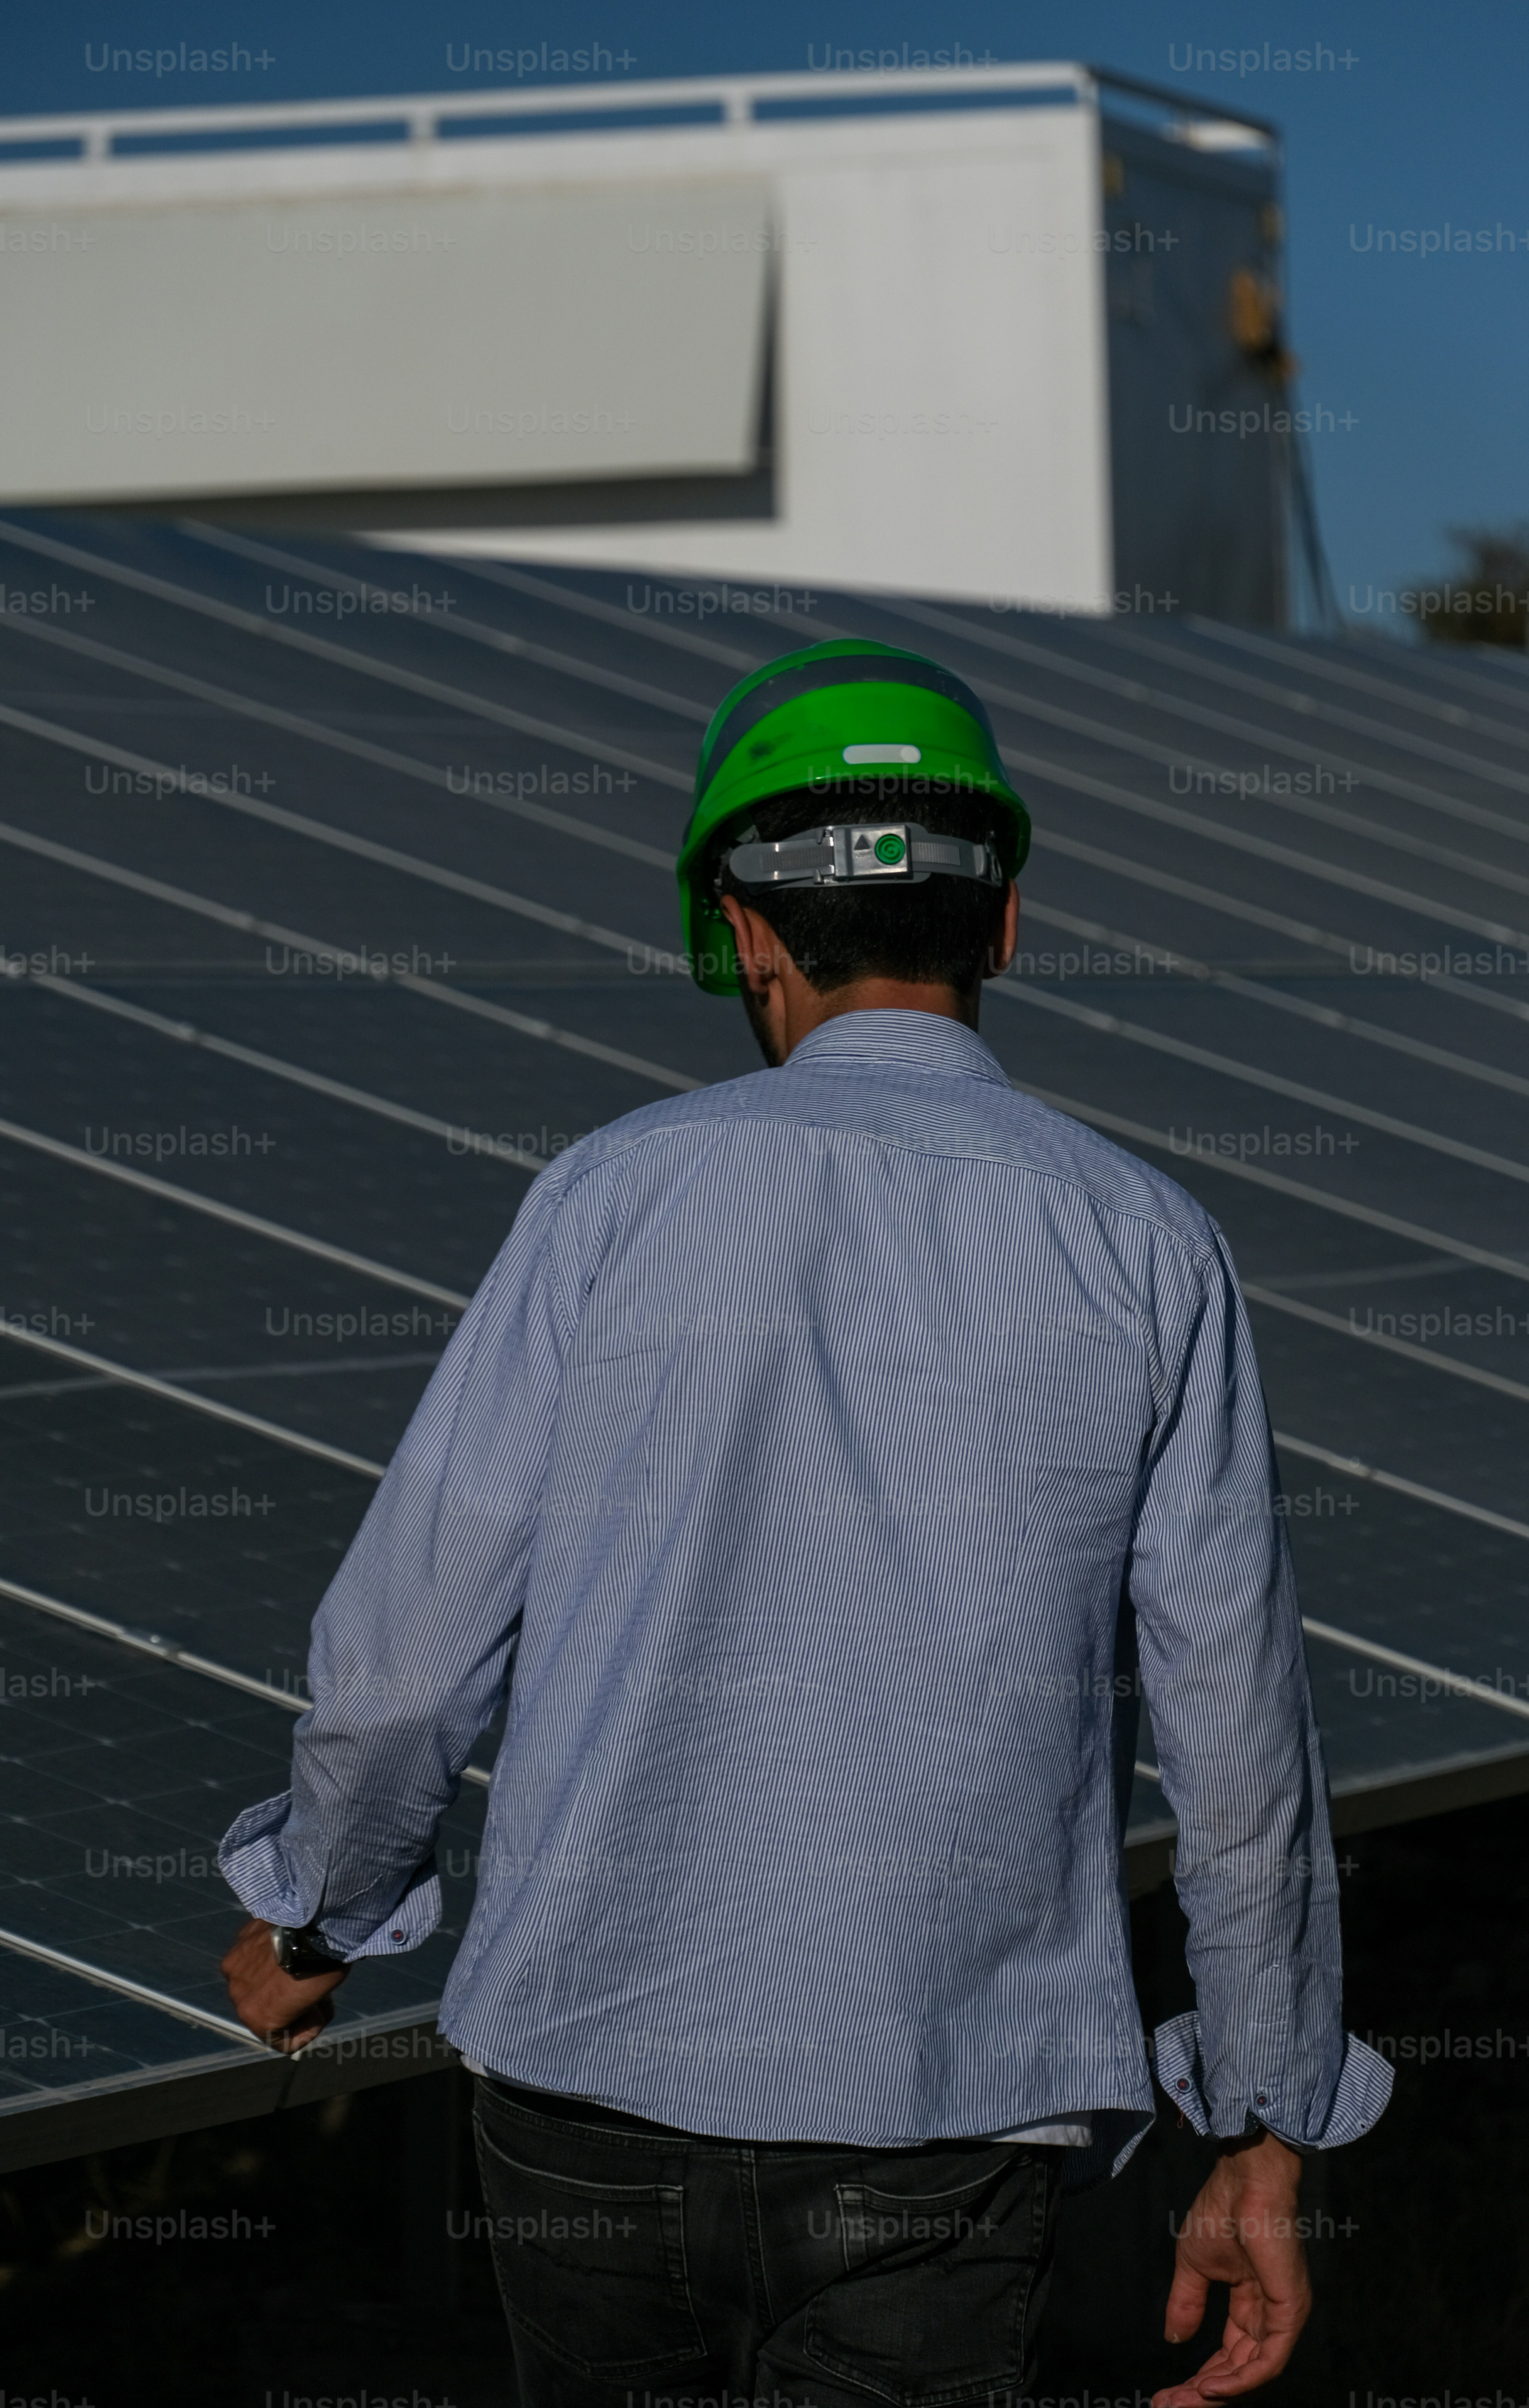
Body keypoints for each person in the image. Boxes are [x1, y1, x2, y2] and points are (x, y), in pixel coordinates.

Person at [220, 641, 1390, 2407]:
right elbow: (1238, 1753)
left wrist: (317, 1923)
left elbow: (402, 1669)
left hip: (585, 2098)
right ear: (998, 928)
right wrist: (1259, 2127)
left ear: (743, 936)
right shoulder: (1150, 1246)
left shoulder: (610, 1197)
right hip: (944, 2117)